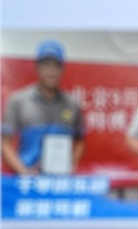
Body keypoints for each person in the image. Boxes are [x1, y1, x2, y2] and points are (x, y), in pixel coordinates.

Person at [1, 39, 85, 174]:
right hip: (27, 179)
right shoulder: (18, 101)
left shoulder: (72, 105)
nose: (51, 71)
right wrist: (23, 172)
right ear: (37, 67)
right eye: (46, 65)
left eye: (56, 65)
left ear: (62, 69)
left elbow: (80, 141)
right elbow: (5, 143)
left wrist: (71, 165)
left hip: (60, 179)